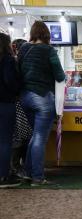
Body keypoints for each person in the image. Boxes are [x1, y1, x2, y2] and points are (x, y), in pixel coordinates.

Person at [18, 21, 65, 186]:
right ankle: (37, 177)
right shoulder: (48, 50)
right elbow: (60, 76)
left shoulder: (23, 48)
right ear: (46, 34)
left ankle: (27, 172)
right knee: (39, 137)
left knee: (34, 136)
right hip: (42, 97)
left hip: (24, 97)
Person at [0, 33, 21, 188]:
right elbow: (10, 80)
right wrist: (17, 90)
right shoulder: (7, 60)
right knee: (6, 141)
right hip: (6, 102)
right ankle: (4, 175)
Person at [10, 38, 32, 179]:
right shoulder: (17, 63)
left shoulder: (16, 62)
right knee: (21, 137)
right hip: (20, 103)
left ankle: (17, 167)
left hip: (18, 103)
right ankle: (16, 168)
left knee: (20, 137)